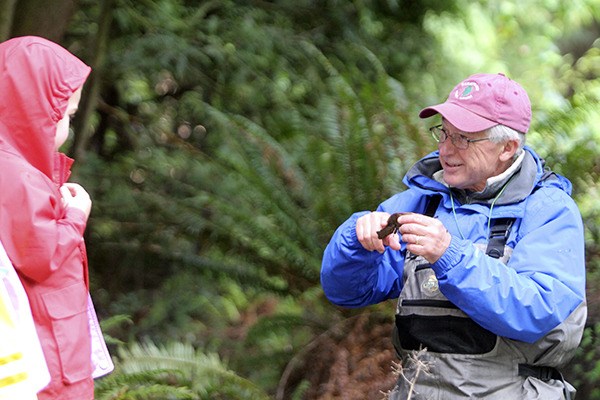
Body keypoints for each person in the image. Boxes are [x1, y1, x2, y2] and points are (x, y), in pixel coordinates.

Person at [321, 73, 587, 399]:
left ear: (508, 147)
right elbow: (345, 293)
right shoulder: (420, 201)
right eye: (443, 133)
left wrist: (452, 256)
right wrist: (354, 240)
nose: (445, 149)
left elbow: (539, 311)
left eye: (462, 138)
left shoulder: (549, 209)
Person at [0, 36, 96, 399]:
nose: (68, 128)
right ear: (36, 112)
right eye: (67, 116)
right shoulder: (17, 175)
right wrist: (75, 216)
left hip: (47, 337)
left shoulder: (16, 167)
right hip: (48, 349)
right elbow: (41, 253)